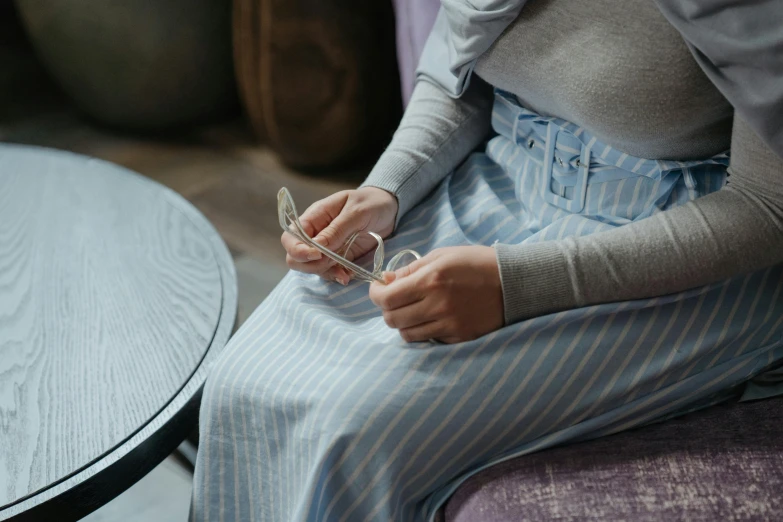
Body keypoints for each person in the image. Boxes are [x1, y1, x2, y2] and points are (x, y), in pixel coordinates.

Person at [190, 1, 783, 520]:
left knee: (357, 433)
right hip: (501, 180)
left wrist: (516, 285)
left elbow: (768, 204)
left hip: (679, 243)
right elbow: (462, 76)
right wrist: (386, 191)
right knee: (240, 381)